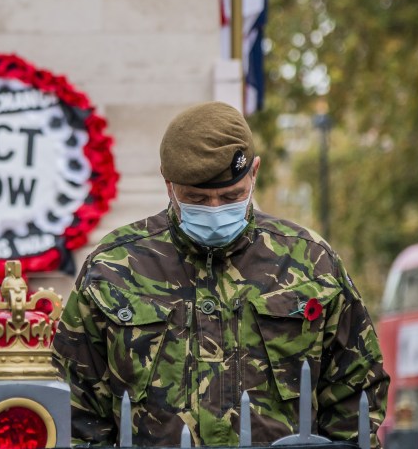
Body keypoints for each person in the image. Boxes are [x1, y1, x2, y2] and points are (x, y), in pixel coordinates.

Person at [52, 101, 389, 446]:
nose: (215, 210)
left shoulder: (310, 263)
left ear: (254, 173)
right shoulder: (113, 268)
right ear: (168, 185)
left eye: (231, 196)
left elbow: (357, 389)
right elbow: (75, 404)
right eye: (196, 198)